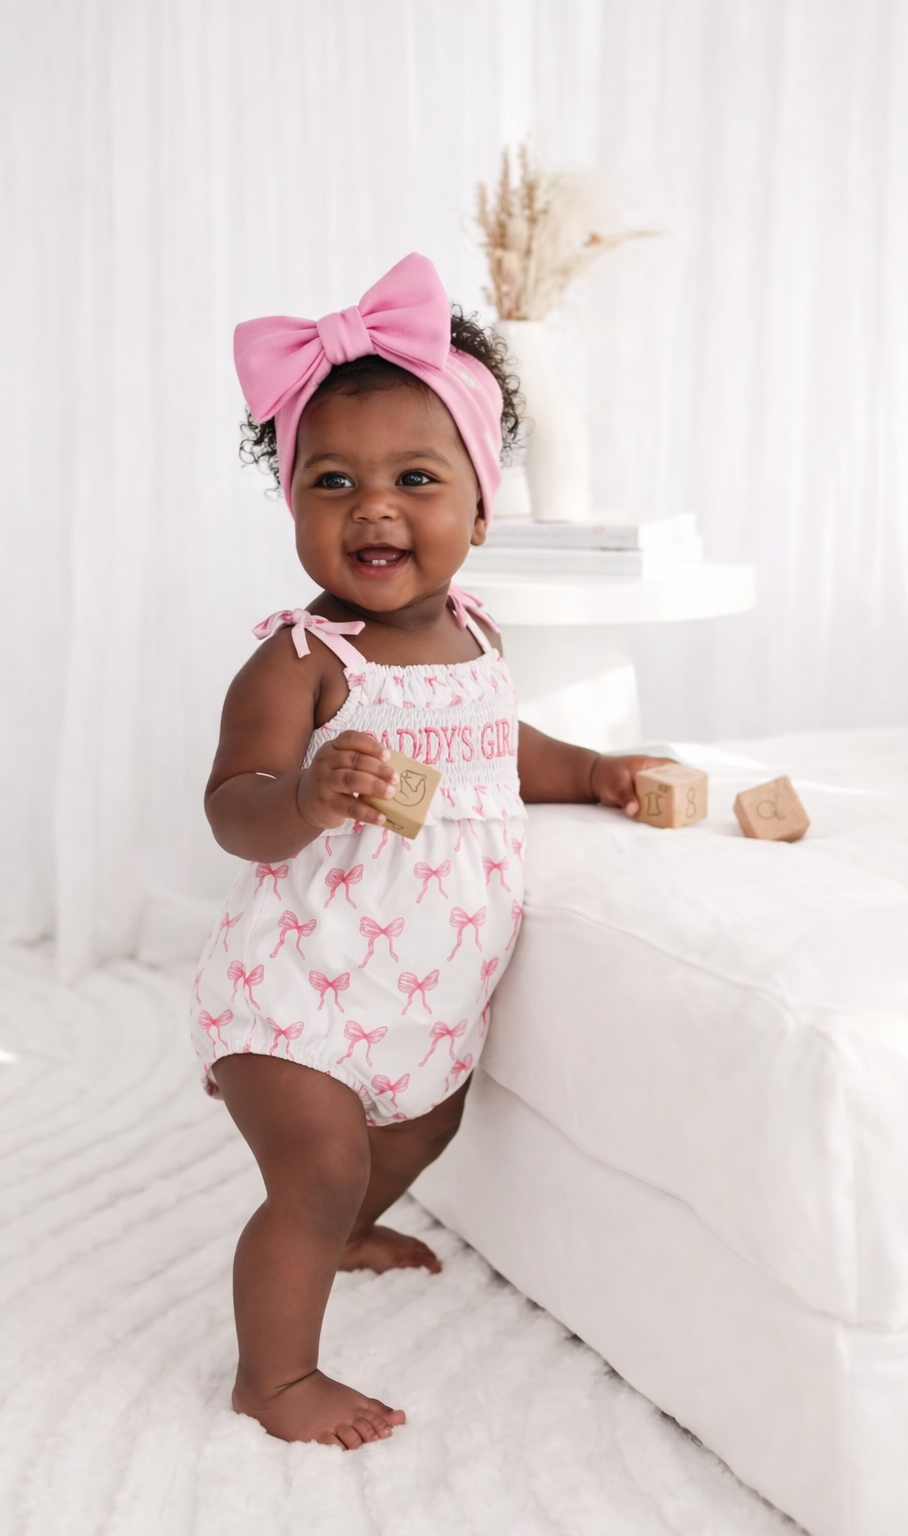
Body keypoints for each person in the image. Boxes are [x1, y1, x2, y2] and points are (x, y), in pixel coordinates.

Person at [189, 253, 676, 1449]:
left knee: (419, 1129)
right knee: (313, 1164)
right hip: (301, 984)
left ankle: (350, 1228)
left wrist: (595, 772)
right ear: (294, 502)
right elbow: (232, 805)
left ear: (479, 502)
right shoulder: (302, 662)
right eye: (333, 480)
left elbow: (495, 748)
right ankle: (277, 1377)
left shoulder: (471, 631)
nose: (374, 508)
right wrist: (303, 793)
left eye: (415, 477)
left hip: (426, 989)